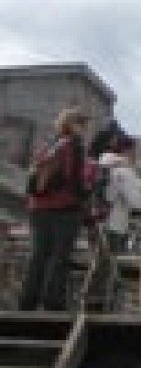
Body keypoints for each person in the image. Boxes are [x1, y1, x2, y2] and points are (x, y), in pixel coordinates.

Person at [19, 107, 90, 311]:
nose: (85, 129)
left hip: (38, 207)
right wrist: (86, 196)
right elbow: (75, 182)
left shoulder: (51, 144)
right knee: (59, 257)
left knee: (38, 255)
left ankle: (27, 301)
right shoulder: (75, 146)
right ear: (74, 125)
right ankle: (52, 303)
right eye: (82, 124)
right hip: (64, 208)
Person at [98, 140, 141, 255]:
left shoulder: (104, 165)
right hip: (115, 223)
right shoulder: (123, 171)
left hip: (99, 219)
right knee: (112, 259)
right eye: (135, 151)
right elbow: (136, 200)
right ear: (128, 151)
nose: (136, 155)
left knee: (101, 258)